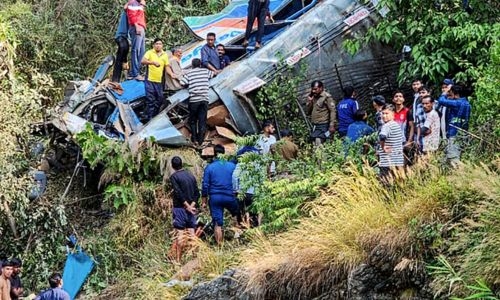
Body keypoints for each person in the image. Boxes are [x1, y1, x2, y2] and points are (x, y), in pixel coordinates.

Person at [201, 145, 239, 244]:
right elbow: (238, 180)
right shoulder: (232, 166)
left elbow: (205, 185)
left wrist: (204, 201)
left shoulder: (209, 167)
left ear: (214, 153)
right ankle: (238, 239)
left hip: (215, 198)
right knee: (236, 215)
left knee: (217, 223)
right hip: (230, 196)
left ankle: (219, 248)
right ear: (224, 153)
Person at [169, 156, 200, 261]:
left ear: (172, 166)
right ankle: (195, 258)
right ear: (181, 164)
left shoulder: (174, 177)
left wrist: (187, 206)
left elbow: (178, 193)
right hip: (192, 209)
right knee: (192, 234)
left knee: (180, 234)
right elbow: (197, 192)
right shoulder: (191, 176)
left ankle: (178, 260)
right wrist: (192, 206)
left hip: (180, 209)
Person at [180, 58, 215, 146]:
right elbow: (213, 74)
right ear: (200, 65)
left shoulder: (189, 73)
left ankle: (194, 138)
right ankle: (201, 141)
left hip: (194, 100)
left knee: (193, 120)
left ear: (192, 65)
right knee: (202, 120)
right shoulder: (205, 71)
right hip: (204, 99)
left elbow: (182, 82)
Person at [437, 84, 471, 166]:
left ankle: (457, 175)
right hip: (463, 133)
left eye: (450, 93)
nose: (449, 95)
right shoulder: (467, 103)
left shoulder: (457, 103)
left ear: (456, 94)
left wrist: (444, 93)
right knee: (458, 156)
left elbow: (441, 101)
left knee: (453, 159)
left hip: (454, 134)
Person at [141, 38, 172, 122]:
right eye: (156, 44)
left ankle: (152, 116)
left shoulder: (164, 55)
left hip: (159, 81)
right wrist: (152, 62)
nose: (158, 45)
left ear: (162, 45)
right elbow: (143, 61)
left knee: (160, 99)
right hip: (150, 80)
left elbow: (167, 66)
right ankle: (148, 118)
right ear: (153, 45)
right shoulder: (150, 52)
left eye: (160, 44)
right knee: (150, 99)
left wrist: (172, 74)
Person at [232, 146, 260, 227]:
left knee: (241, 213)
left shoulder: (241, 164)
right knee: (254, 214)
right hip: (254, 193)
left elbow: (235, 176)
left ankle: (242, 228)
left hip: (242, 192)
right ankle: (254, 231)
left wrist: (235, 189)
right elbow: (261, 178)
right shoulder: (257, 165)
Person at [378, 104, 405, 182]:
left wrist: (383, 147)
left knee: (386, 186)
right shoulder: (396, 125)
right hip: (398, 161)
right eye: (383, 113)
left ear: (393, 114)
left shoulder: (387, 126)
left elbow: (382, 136)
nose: (384, 116)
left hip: (387, 162)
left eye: (387, 113)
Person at [306, 80, 336, 146]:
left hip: (324, 125)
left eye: (315, 89)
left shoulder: (326, 97)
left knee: (319, 140)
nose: (313, 91)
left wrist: (332, 125)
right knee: (314, 142)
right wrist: (310, 102)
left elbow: (332, 111)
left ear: (321, 88)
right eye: (312, 89)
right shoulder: (313, 97)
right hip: (315, 126)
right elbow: (308, 112)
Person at [125, 0, 146, 81]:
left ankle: (135, 72)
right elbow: (131, 15)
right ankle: (134, 73)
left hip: (141, 27)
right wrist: (136, 26)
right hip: (136, 27)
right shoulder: (133, 2)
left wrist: (142, 5)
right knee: (136, 50)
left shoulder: (139, 4)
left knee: (142, 51)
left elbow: (139, 15)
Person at [111, 10, 130, 83]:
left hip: (125, 38)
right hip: (121, 36)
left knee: (125, 47)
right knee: (123, 47)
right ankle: (115, 79)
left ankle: (125, 64)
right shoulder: (129, 10)